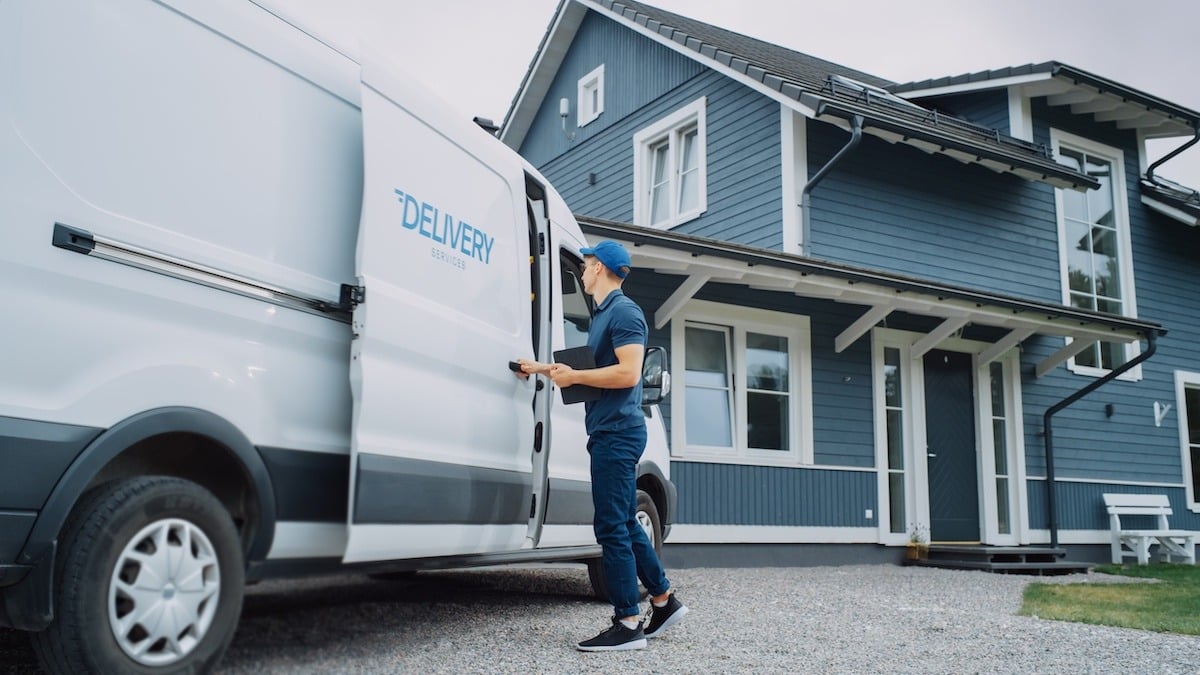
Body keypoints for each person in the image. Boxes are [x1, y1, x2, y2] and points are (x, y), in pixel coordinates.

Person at [516, 240, 687, 652]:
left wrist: (575, 378)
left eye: (588, 263)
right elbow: (589, 369)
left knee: (611, 525)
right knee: (626, 521)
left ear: (599, 269)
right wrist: (542, 369)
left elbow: (628, 374)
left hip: (617, 433)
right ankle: (663, 601)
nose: (584, 269)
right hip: (610, 430)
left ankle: (628, 623)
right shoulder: (604, 314)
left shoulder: (624, 312)